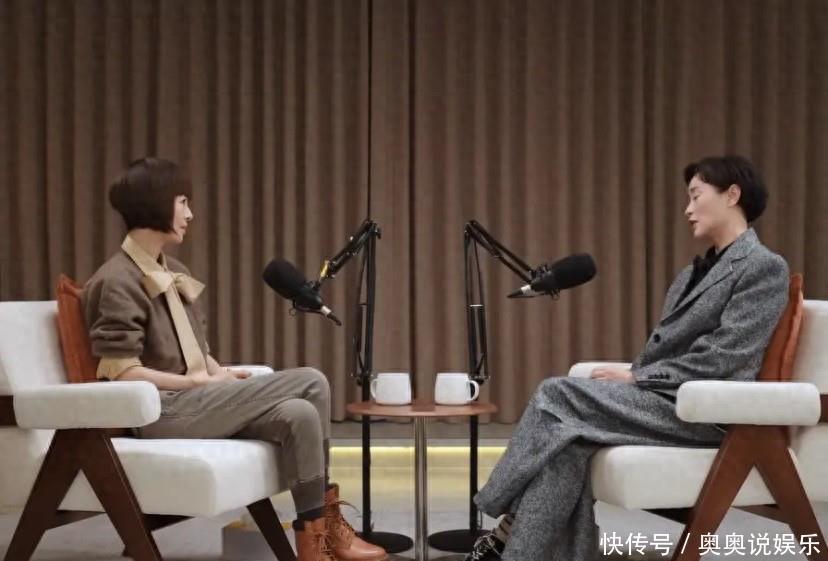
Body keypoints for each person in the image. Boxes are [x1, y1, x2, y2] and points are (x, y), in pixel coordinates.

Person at [463, 155, 790, 561]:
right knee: (568, 444)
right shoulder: (691, 274)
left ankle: (496, 503)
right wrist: (638, 375)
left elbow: (725, 356)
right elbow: (668, 351)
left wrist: (639, 378)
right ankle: (517, 551)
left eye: (695, 196)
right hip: (667, 401)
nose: (687, 210)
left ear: (732, 195)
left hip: (710, 414)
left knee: (555, 393)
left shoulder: (764, 267)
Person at [82, 157, 387, 561]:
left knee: (299, 414)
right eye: (182, 202)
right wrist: (198, 383)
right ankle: (328, 528)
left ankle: (314, 541)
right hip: (160, 413)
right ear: (154, 203)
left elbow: (197, 351)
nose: (190, 214)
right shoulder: (116, 280)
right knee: (311, 381)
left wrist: (221, 374)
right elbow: (121, 372)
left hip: (195, 402)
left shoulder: (173, 271)